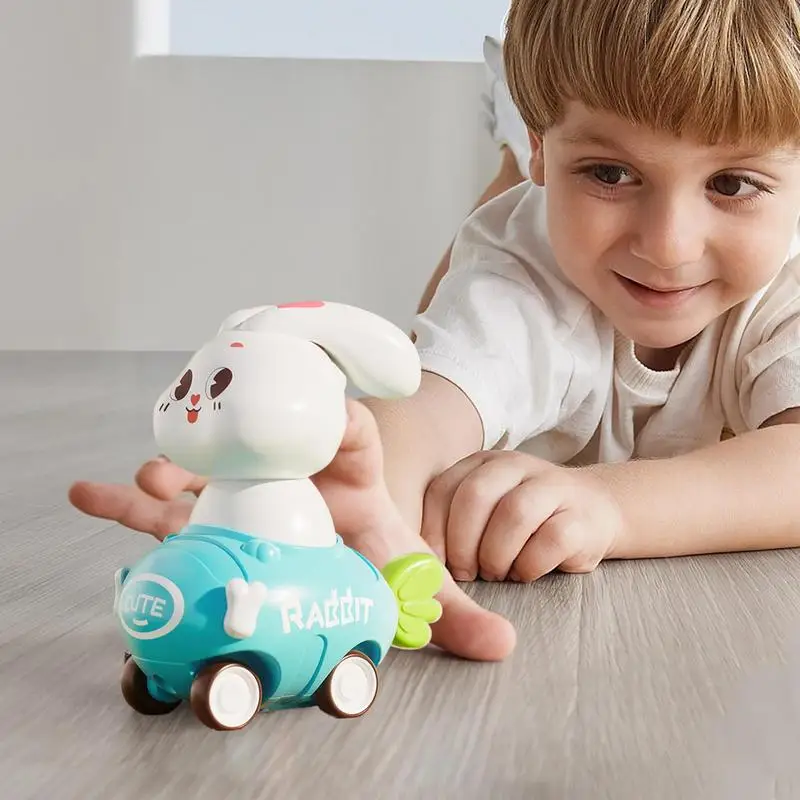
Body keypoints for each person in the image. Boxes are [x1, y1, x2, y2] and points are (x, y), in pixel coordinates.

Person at [70, 0, 800, 665]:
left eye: (732, 184)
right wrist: (319, 509)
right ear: (541, 147)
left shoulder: (787, 280)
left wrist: (611, 507)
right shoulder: (525, 269)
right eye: (609, 173)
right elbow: (426, 410)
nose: (668, 245)